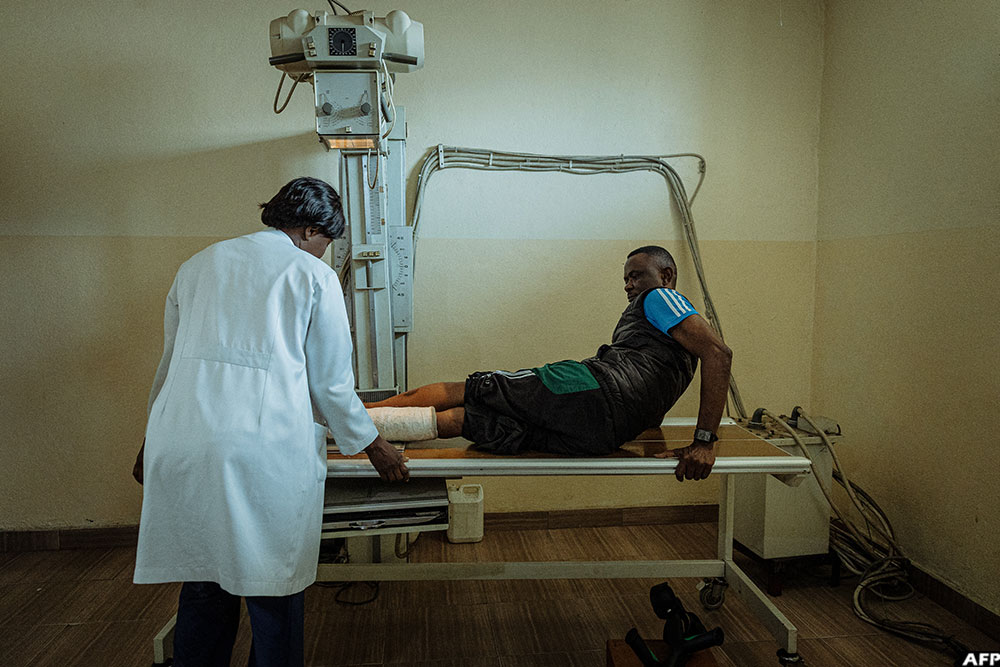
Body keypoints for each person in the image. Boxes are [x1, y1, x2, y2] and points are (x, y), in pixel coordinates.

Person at [131, 177, 408, 667]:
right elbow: (331, 384)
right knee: (271, 586)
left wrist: (152, 439)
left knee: (205, 578)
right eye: (326, 243)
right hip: (259, 452)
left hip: (185, 440)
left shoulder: (197, 265)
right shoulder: (310, 275)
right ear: (308, 230)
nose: (325, 254)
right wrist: (374, 445)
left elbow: (172, 363)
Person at [367, 245, 732, 482]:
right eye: (625, 278)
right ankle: (361, 425)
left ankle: (360, 415)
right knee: (475, 422)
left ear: (666, 276)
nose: (628, 285)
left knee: (473, 389)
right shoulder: (667, 343)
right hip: (602, 435)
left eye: (636, 275)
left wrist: (703, 442)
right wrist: (649, 428)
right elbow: (653, 386)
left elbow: (719, 353)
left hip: (590, 388)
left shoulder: (662, 297)